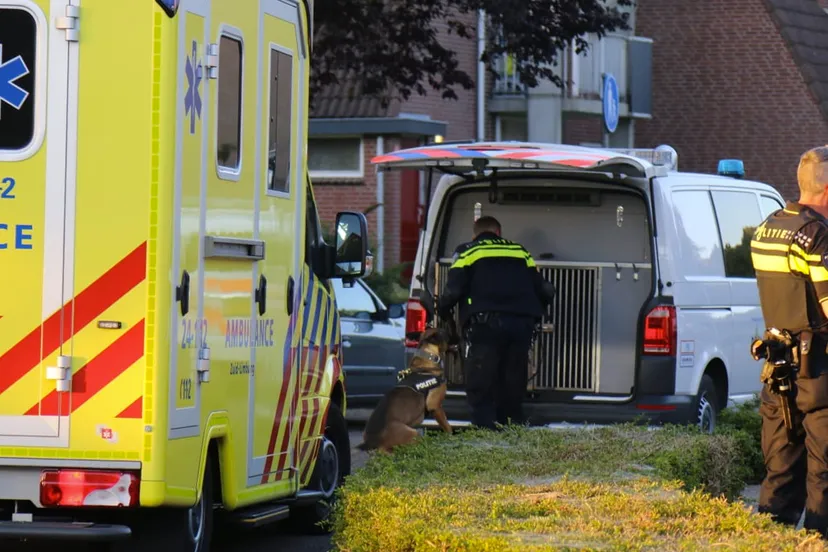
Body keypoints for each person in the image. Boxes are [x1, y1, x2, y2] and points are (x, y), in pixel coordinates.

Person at [750, 145, 828, 537]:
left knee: (780, 474)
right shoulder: (816, 235)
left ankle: (766, 543)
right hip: (819, 376)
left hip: (779, 371)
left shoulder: (769, 227)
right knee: (823, 480)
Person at [434, 215, 555, 430]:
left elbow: (453, 290)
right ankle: (512, 426)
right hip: (521, 325)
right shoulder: (520, 251)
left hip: (485, 325)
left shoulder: (468, 251)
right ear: (499, 233)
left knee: (481, 377)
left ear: (475, 234)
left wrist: (442, 311)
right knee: (513, 376)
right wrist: (537, 312)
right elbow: (546, 289)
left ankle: (485, 430)